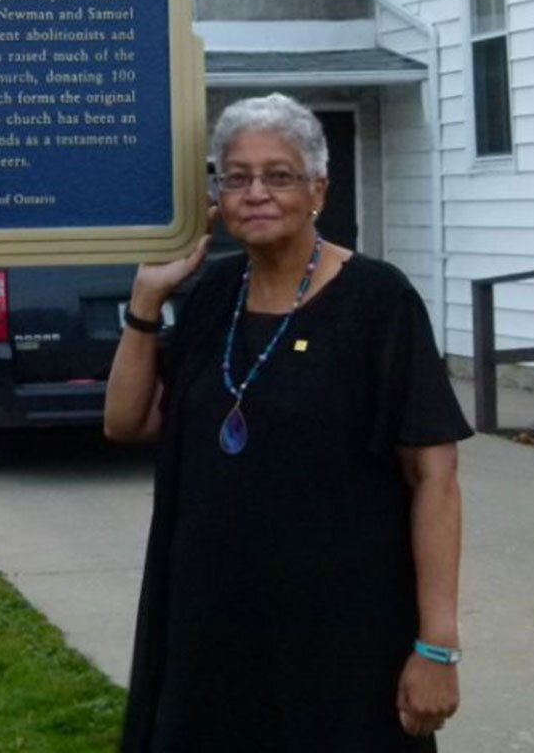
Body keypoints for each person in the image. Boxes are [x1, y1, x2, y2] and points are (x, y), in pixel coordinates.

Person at [105, 93, 470, 752]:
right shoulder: (214, 293)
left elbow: (434, 477)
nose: (256, 193)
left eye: (279, 175)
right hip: (211, 630)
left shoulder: (377, 302)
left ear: (319, 191)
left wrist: (436, 645)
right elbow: (128, 423)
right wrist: (145, 301)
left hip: (343, 638)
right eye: (236, 176)